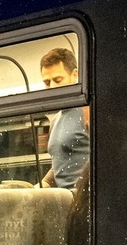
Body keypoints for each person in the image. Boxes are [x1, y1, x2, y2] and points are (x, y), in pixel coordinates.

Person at [37, 47, 89, 190]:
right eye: (47, 83)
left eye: (58, 80)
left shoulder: (88, 112)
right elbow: (60, 165)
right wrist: (41, 186)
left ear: (75, 75)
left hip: (84, 203)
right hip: (63, 203)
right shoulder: (55, 120)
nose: (52, 87)